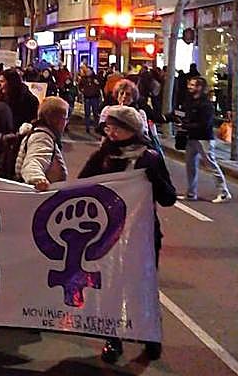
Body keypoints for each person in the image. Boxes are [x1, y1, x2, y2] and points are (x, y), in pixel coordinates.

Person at [79, 104, 176, 364]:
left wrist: (154, 179)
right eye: (108, 127)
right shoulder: (103, 156)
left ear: (131, 130)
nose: (111, 133)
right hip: (108, 235)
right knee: (111, 286)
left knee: (142, 285)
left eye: (117, 128)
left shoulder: (150, 158)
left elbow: (169, 197)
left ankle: (150, 336)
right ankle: (113, 338)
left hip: (142, 234)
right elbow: (81, 185)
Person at [175, 76, 231, 202]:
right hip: (192, 137)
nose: (189, 87)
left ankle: (223, 192)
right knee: (190, 166)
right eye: (190, 84)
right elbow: (184, 114)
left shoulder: (206, 104)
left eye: (192, 85)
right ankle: (191, 193)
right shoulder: (190, 101)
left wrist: (185, 126)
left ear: (200, 87)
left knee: (211, 164)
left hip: (204, 138)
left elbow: (205, 124)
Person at [14, 96, 70, 190]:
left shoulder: (40, 133)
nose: (66, 122)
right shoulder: (42, 138)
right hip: (37, 197)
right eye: (66, 118)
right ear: (57, 120)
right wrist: (38, 180)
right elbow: (32, 164)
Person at [78, 65, 104, 134]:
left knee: (95, 113)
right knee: (87, 113)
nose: (88, 72)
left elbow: (101, 85)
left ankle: (96, 126)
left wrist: (97, 84)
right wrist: (82, 90)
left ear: (92, 71)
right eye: (87, 71)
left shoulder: (96, 78)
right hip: (87, 97)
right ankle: (87, 127)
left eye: (89, 71)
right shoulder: (84, 78)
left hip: (95, 97)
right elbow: (80, 86)